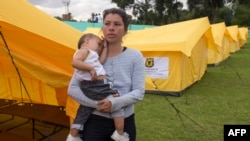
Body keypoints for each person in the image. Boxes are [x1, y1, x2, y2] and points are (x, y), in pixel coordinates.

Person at [67, 8, 145, 141]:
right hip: (94, 122)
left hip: (125, 121)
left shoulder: (135, 56)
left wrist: (114, 103)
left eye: (117, 24)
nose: (111, 28)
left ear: (125, 30)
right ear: (102, 27)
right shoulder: (89, 57)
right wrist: (99, 104)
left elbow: (138, 92)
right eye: (107, 23)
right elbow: (72, 89)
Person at [66, 33, 128, 141]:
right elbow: (75, 62)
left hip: (90, 87)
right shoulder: (85, 50)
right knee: (116, 102)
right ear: (87, 40)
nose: (99, 47)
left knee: (84, 110)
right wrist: (90, 68)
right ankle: (120, 133)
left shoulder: (91, 55)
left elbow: (101, 61)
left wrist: (105, 47)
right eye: (99, 44)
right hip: (96, 86)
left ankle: (73, 136)